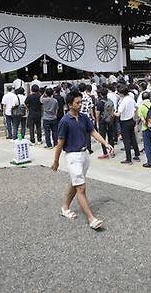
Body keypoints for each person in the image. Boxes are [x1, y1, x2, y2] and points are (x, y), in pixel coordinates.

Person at [51, 90, 114, 230]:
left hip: (84, 154)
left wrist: (105, 143)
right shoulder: (64, 121)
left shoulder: (84, 117)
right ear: (69, 104)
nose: (80, 105)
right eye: (77, 102)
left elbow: (93, 131)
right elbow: (60, 143)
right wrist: (56, 160)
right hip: (73, 156)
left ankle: (65, 207)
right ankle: (91, 219)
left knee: (76, 183)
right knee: (81, 188)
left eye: (81, 102)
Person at [115, 84, 140, 164]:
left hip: (125, 122)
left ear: (121, 93)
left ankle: (128, 158)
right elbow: (136, 107)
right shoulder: (131, 99)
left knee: (126, 140)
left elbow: (118, 114)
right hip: (131, 120)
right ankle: (137, 154)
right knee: (133, 138)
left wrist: (112, 112)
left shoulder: (123, 101)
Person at [138, 92, 151, 167]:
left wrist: (147, 125)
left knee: (147, 146)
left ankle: (149, 162)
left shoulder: (141, 107)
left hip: (146, 128)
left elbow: (142, 119)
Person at [95, 88, 116, 159]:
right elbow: (113, 111)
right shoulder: (110, 101)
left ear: (100, 94)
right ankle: (112, 152)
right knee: (110, 137)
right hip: (110, 121)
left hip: (102, 122)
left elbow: (97, 114)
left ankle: (105, 153)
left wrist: (97, 122)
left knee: (102, 138)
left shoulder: (100, 102)